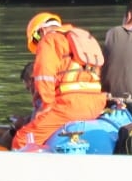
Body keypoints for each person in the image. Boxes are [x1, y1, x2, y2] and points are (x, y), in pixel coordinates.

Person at [11, 11, 107, 150]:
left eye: (36, 39)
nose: (38, 45)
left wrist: (45, 108)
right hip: (97, 104)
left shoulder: (49, 40)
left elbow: (44, 77)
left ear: (41, 31)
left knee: (21, 139)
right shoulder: (81, 39)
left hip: (70, 106)